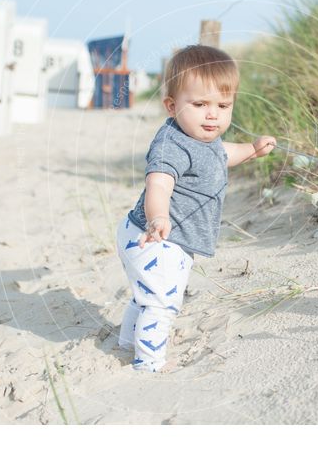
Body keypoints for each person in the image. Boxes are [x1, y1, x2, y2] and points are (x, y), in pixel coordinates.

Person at [116, 44, 276, 373]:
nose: (212, 114)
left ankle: (126, 343)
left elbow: (221, 154)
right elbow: (159, 183)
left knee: (145, 296)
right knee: (162, 303)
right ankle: (149, 363)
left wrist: (252, 149)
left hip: (151, 237)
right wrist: (158, 217)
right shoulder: (171, 144)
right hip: (157, 239)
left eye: (223, 105)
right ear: (172, 106)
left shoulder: (204, 139)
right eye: (200, 104)